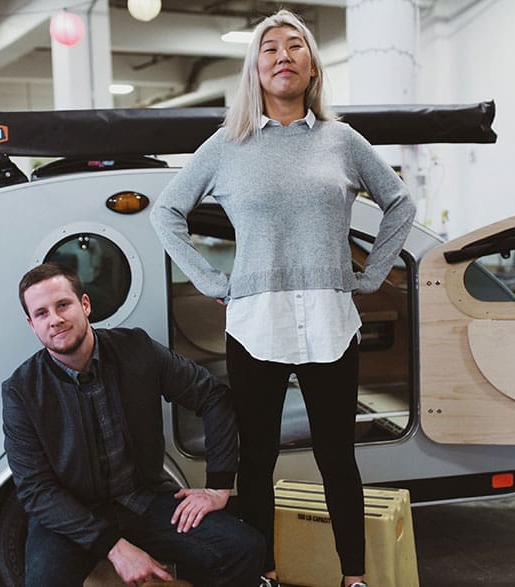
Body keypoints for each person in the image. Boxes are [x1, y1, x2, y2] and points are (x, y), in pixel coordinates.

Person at [150, 10, 416, 587]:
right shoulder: (228, 145)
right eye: (270, 48)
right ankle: (264, 572)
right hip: (256, 322)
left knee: (337, 460)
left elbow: (400, 204)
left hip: (329, 319)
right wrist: (211, 280)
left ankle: (353, 577)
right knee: (257, 460)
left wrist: (371, 275)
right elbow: (166, 212)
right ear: (256, 68)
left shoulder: (341, 140)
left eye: (296, 46)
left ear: (313, 64)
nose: (283, 55)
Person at [2, 262, 264, 587]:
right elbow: (36, 490)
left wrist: (219, 486)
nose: (54, 319)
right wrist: (114, 548)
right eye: (41, 313)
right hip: (73, 516)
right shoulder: (21, 390)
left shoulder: (136, 349)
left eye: (63, 305)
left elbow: (212, 396)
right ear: (32, 324)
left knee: (244, 548)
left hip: (143, 500)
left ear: (85, 304)